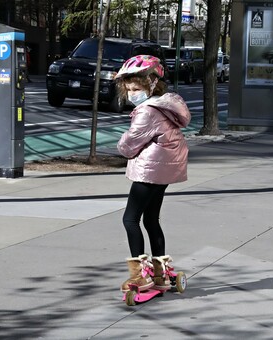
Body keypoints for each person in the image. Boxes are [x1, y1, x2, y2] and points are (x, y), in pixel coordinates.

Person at [114, 55, 191, 293]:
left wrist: (121, 147)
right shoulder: (165, 105)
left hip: (151, 170)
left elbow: (129, 144)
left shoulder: (147, 111)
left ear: (152, 83)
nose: (131, 93)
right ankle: (162, 273)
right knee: (151, 220)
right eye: (128, 89)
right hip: (165, 169)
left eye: (135, 88)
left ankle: (141, 275)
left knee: (130, 219)